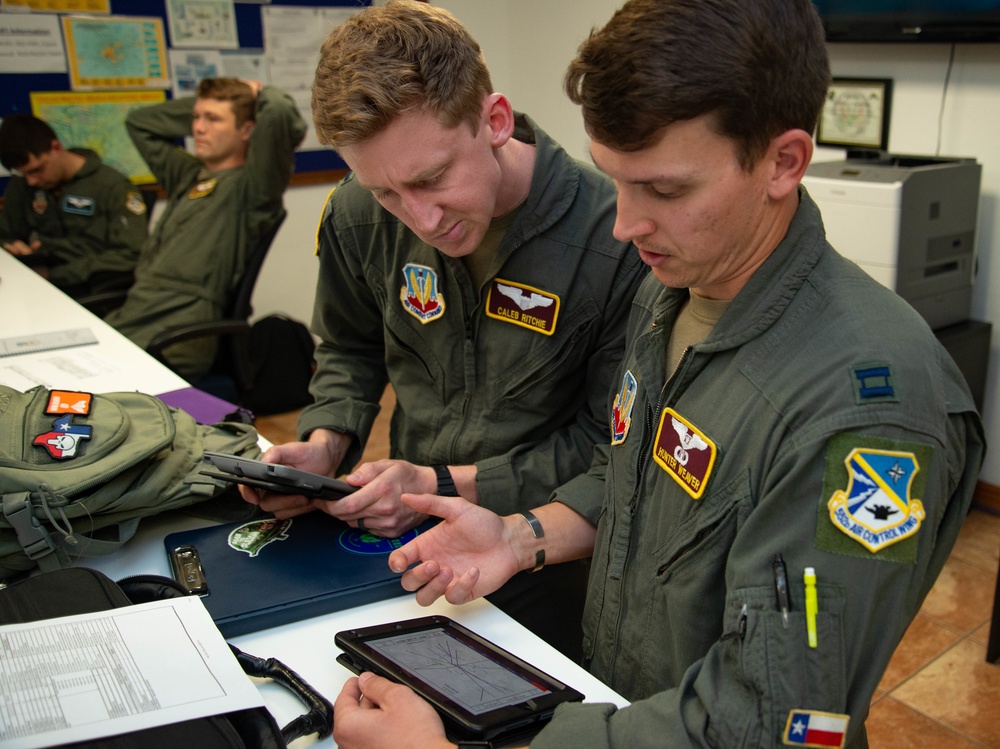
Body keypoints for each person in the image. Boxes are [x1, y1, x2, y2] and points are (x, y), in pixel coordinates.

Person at [330, 0, 987, 747]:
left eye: (664, 190)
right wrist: (518, 537)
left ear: (783, 162)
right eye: (617, 180)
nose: (622, 223)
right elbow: (638, 475)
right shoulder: (674, 287)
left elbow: (768, 719)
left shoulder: (868, 405)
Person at [239, 0, 645, 659]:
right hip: (410, 539)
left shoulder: (616, 238)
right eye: (388, 193)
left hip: (550, 552)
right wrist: (324, 442)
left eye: (432, 178)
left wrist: (444, 483)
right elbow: (349, 347)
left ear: (495, 120)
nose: (420, 217)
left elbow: (611, 450)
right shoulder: (356, 213)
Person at [104, 78, 307, 382]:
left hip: (176, 332)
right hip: (135, 314)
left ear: (247, 130)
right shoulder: (189, 175)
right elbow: (140, 123)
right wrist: (212, 103)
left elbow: (277, 114)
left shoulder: (253, 187)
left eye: (212, 119)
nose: (197, 128)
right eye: (195, 117)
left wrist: (257, 94)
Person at [0, 114, 147, 299]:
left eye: (37, 170)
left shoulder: (112, 186)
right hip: (37, 285)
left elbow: (132, 255)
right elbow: (5, 234)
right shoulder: (23, 184)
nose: (31, 181)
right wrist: (13, 248)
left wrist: (56, 275)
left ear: (56, 147)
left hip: (92, 288)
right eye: (24, 174)